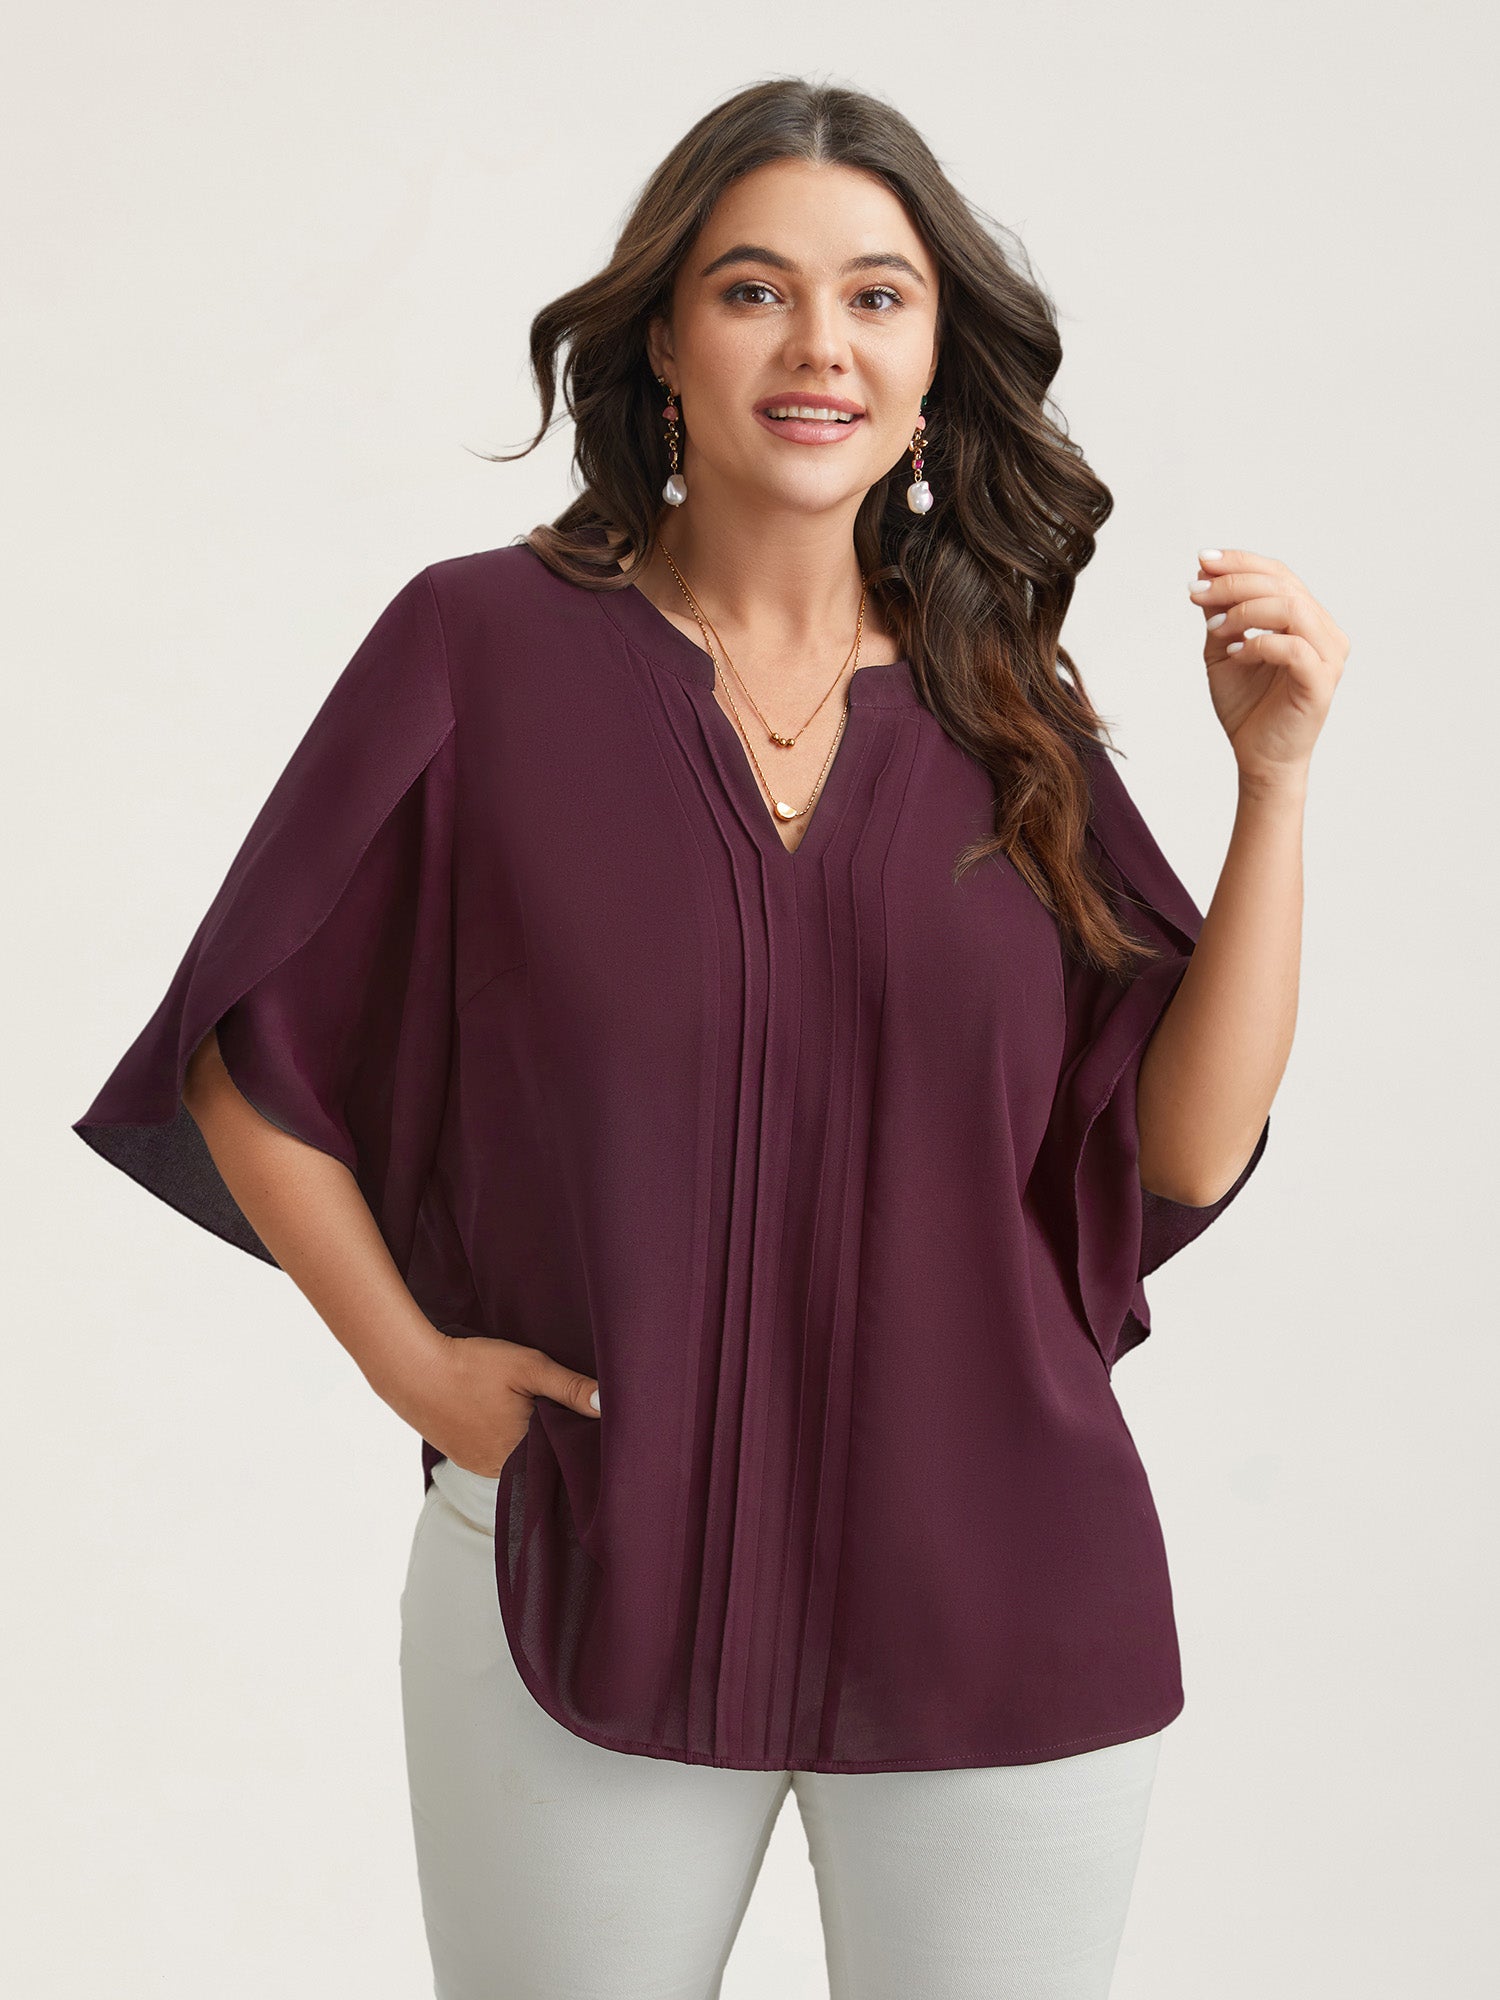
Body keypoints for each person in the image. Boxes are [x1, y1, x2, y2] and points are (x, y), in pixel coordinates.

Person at [71, 77, 1345, 2000]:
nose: (820, 344)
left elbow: (1183, 1146)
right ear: (666, 340)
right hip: (581, 1558)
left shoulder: (1008, 712)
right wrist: (417, 1370)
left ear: (934, 363)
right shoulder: (477, 648)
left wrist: (1277, 786)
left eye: (877, 297)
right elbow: (246, 1038)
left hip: (1006, 1586)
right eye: (756, 290)